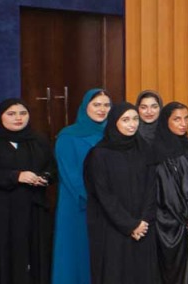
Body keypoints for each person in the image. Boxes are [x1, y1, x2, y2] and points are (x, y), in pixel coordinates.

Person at [0, 98, 55, 284]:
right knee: (1, 259)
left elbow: (52, 168)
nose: (18, 118)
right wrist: (16, 176)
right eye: (11, 114)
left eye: (23, 113)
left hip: (32, 212)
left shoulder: (38, 141)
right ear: (0, 117)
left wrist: (44, 178)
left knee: (31, 257)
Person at [83, 101, 158, 283]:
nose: (132, 124)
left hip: (143, 227)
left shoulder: (144, 149)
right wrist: (129, 224)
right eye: (125, 120)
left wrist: (143, 221)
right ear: (114, 122)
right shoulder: (99, 154)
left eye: (134, 119)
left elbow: (152, 187)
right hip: (112, 228)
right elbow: (103, 195)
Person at [52, 88, 110, 284]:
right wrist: (96, 199)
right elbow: (71, 175)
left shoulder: (113, 133)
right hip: (79, 205)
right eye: (96, 105)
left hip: (108, 207)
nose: (102, 109)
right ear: (85, 107)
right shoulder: (68, 136)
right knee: (78, 255)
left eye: (106, 105)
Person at [149, 101, 188, 284]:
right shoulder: (156, 151)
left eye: (186, 118)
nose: (183, 123)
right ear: (165, 121)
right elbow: (166, 191)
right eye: (177, 119)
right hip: (165, 223)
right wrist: (186, 215)